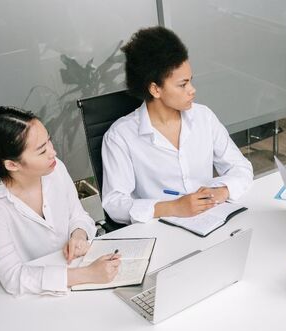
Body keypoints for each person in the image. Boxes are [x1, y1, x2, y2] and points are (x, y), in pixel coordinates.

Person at [101, 26, 253, 224]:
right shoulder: (120, 136)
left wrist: (222, 192)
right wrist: (173, 207)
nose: (192, 90)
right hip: (162, 230)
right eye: (183, 84)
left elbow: (241, 167)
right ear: (155, 89)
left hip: (212, 220)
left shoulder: (203, 117)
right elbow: (114, 203)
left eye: (191, 81)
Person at [0, 106, 122, 296]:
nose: (53, 152)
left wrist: (79, 235)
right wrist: (87, 274)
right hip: (10, 298)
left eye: (49, 140)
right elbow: (13, 278)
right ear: (12, 164)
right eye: (41, 151)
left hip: (63, 273)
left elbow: (78, 215)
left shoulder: (55, 170)